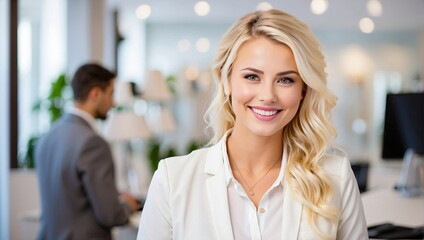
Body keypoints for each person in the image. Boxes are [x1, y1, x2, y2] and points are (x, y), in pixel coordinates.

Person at [137, 9, 367, 240]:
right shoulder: (172, 180)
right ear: (226, 80)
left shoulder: (336, 177)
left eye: (285, 80)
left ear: (303, 91)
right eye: (252, 77)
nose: (268, 95)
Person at [35, 63, 140, 240]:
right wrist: (128, 205)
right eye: (111, 94)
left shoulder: (47, 137)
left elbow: (70, 195)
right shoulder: (93, 143)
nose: (113, 103)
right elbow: (110, 215)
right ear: (95, 94)